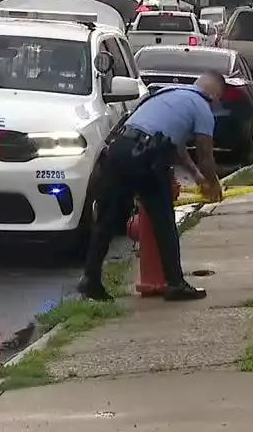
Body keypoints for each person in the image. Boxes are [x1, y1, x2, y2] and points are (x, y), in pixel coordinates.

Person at [77, 72, 227, 302]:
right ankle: (175, 283)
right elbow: (206, 156)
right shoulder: (202, 108)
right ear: (214, 94)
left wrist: (195, 175)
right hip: (145, 157)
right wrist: (214, 186)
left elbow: (175, 144)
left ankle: (90, 279)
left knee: (107, 220)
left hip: (118, 148)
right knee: (163, 220)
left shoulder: (168, 95)